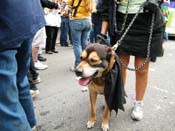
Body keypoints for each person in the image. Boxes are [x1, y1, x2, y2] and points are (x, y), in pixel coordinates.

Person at [99, 0, 165, 121]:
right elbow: (106, 6)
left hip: (147, 19)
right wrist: (102, 34)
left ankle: (138, 103)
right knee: (120, 66)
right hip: (120, 21)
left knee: (142, 69)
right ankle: (117, 98)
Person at [0, 0, 45, 131]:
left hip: (5, 20)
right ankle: (31, 126)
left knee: (4, 99)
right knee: (20, 80)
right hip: (26, 14)